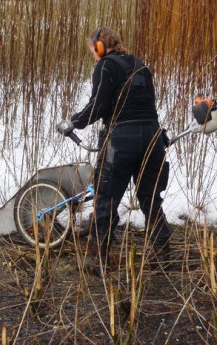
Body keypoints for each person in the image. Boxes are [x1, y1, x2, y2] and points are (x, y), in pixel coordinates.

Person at [59, 27, 172, 275]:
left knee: (106, 197)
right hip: (153, 137)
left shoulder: (105, 66)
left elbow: (98, 105)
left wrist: (73, 122)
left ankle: (99, 260)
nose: (92, 54)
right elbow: (147, 105)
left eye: (92, 49)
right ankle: (164, 251)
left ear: (99, 46)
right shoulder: (140, 64)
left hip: (121, 140)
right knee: (149, 196)